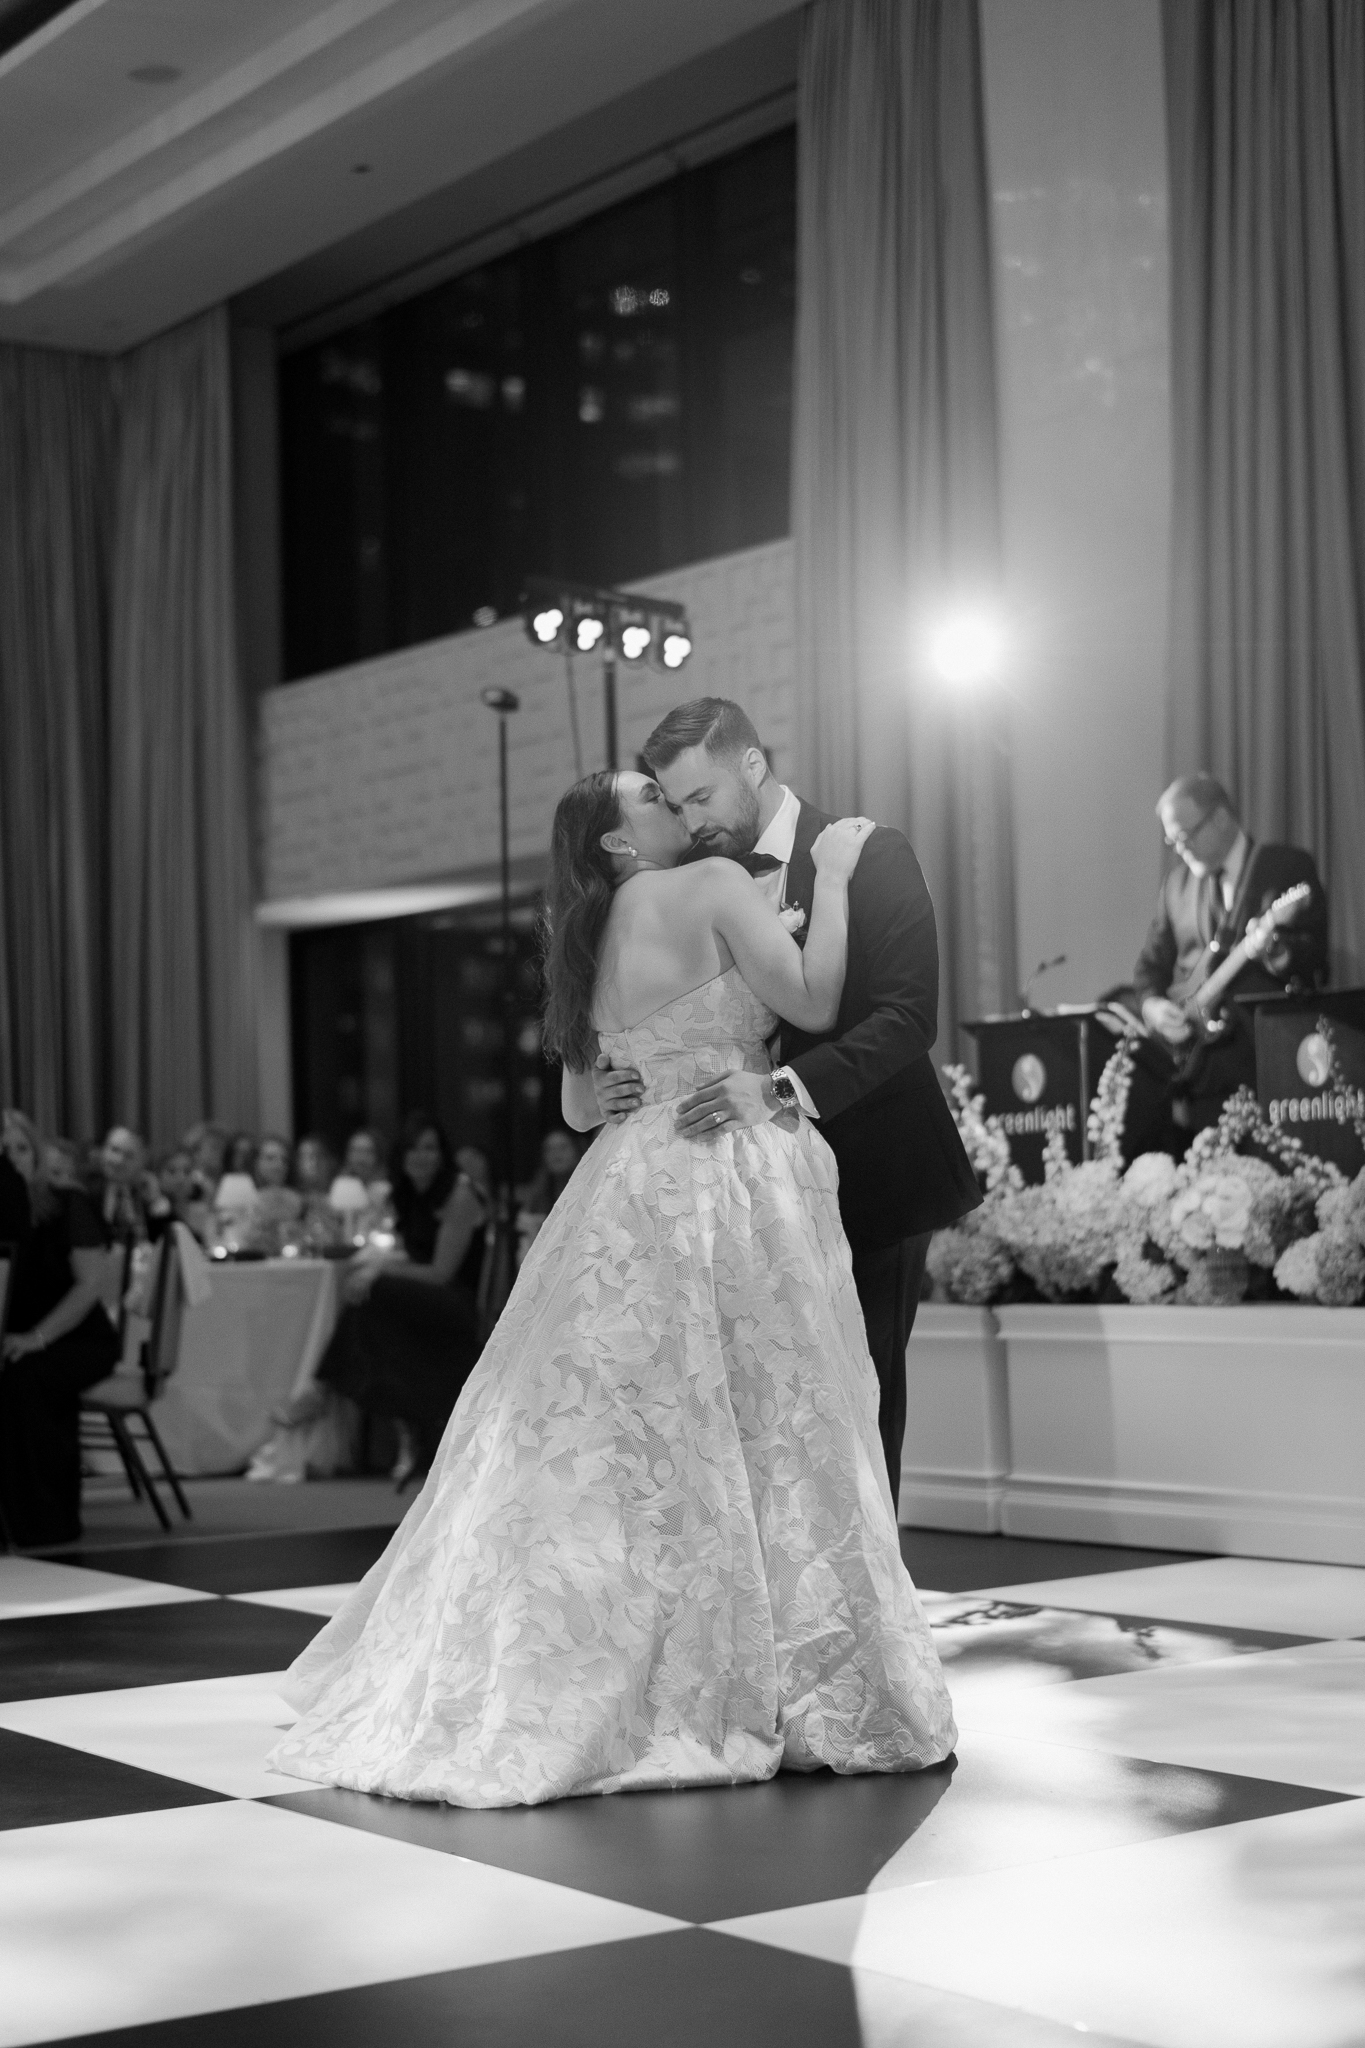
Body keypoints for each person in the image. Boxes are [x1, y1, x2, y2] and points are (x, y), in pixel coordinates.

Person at [270, 769, 954, 1808]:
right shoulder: (717, 880)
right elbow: (811, 998)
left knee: (628, 1430)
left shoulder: (589, 931)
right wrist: (837, 870)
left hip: (628, 1182)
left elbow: (582, 1096)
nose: (674, 808)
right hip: (726, 1172)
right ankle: (768, 1654)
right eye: (648, 797)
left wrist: (605, 1086)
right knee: (767, 1416)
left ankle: (613, 1640)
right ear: (619, 840)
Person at [595, 698, 980, 1512]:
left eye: (701, 798)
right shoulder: (680, 883)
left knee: (860, 1399)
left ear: (752, 765)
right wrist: (610, 1079)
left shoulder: (865, 853)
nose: (691, 821)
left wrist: (776, 1090)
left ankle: (874, 1614)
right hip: (736, 1200)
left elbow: (909, 1018)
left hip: (867, 1170)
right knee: (756, 1415)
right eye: (673, 804)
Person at [1132, 773, 1328, 1146]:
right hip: (1201, 1077)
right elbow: (1148, 970)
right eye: (1172, 840)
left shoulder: (1285, 867)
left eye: (1185, 836)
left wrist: (1275, 951)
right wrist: (1154, 1007)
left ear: (1221, 818)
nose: (1179, 848)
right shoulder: (1176, 887)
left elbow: (1314, 956)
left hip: (1272, 1067)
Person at [314, 1117, 489, 1480]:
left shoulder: (459, 1194)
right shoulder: (409, 1194)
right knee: (368, 1309)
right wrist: (376, 1268)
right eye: (414, 1147)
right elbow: (413, 1258)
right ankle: (408, 1429)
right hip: (429, 1300)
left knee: (374, 1292)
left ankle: (323, 1386)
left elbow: (441, 1273)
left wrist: (379, 1270)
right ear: (401, 1155)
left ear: (443, 1154)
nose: (422, 1156)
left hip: (459, 1306)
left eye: (430, 1147)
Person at [0, 1109, 120, 1547]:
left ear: (36, 1153)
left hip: (80, 1338)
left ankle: (46, 1520)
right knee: (15, 1375)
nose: (12, 1158)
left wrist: (36, 1339)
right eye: (3, 1150)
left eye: (21, 1147)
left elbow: (90, 1286)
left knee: (24, 1381)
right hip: (21, 1342)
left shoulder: (68, 1202)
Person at [514, 1128, 581, 1262]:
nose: (556, 1154)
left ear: (577, 1151)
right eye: (549, 1149)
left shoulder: (591, 1187)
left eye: (563, 1147)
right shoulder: (538, 1191)